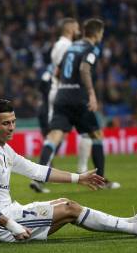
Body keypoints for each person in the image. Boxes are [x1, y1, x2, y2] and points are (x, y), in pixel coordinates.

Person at [0, 99, 137, 242]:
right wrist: (12, 225)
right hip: (1, 226)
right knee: (70, 208)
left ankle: (129, 222)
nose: (12, 127)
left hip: (7, 216)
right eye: (6, 123)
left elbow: (37, 171)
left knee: (65, 203)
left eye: (13, 122)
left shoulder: (1, 148)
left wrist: (77, 178)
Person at [38, 18, 120, 190]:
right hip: (78, 97)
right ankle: (101, 181)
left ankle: (38, 176)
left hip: (62, 95)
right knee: (96, 135)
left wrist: (66, 86)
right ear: (97, 33)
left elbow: (58, 71)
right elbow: (84, 69)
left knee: (54, 136)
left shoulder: (71, 48)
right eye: (102, 33)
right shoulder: (91, 48)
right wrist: (91, 93)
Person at [33, 18, 93, 193]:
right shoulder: (68, 46)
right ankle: (77, 170)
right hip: (65, 92)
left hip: (59, 92)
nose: (79, 31)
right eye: (76, 28)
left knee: (58, 135)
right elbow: (65, 70)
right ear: (70, 29)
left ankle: (42, 174)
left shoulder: (58, 45)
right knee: (73, 132)